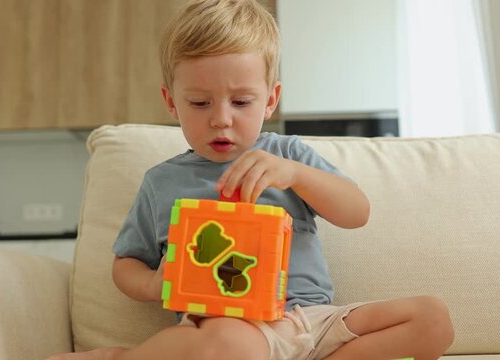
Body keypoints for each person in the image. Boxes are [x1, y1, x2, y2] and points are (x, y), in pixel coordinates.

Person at [47, 0, 454, 359]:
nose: (221, 117)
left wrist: (295, 175)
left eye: (241, 102)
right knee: (228, 344)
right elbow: (125, 264)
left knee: (432, 319)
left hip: (313, 322)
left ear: (271, 99)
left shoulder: (289, 156)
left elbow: (357, 212)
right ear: (172, 103)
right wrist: (155, 284)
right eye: (200, 102)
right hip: (230, 326)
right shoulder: (162, 181)